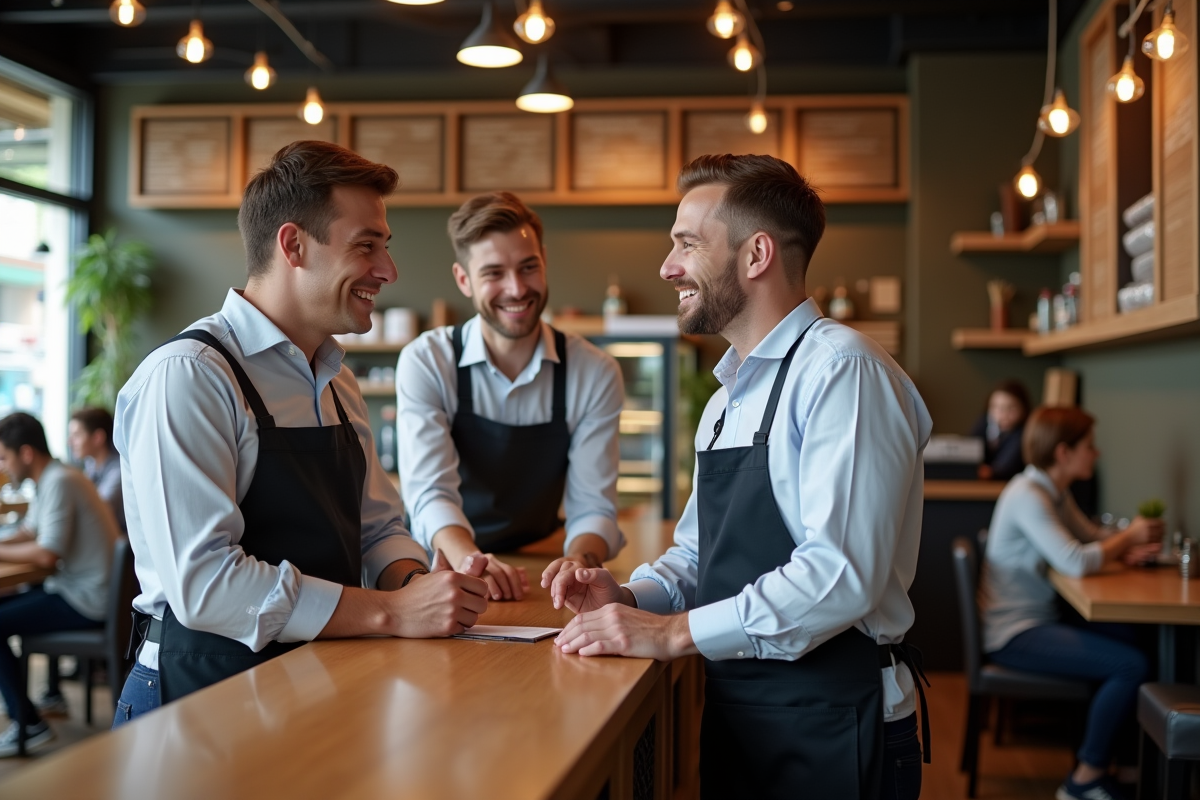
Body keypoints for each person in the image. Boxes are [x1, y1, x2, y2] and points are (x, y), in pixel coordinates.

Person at [547, 154, 932, 800]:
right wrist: (629, 598)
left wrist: (672, 633)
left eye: (687, 244)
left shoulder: (844, 372)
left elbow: (841, 576)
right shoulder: (728, 396)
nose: (668, 267)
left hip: (838, 720)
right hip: (745, 714)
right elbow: (700, 555)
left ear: (756, 255)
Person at [112, 141, 490, 726]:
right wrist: (393, 612)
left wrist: (421, 585)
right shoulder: (188, 376)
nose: (387, 271)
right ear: (293, 245)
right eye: (367, 246)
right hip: (198, 696)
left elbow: (377, 528)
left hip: (316, 682)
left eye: (384, 248)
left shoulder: (338, 383)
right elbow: (206, 584)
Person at [396, 191, 624, 602]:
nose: (517, 288)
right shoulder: (428, 362)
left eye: (528, 267)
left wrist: (579, 558)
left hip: (542, 565)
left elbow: (593, 505)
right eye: (494, 273)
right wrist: (472, 561)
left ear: (545, 262)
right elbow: (430, 493)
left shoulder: (594, 371)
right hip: (451, 560)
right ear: (463, 279)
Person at [980, 406, 1161, 800]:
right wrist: (1129, 538)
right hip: (1015, 633)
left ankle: (1122, 764)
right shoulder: (1029, 495)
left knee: (1134, 639)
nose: (1096, 454)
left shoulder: (1051, 491)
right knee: (1130, 665)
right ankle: (1084, 779)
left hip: (1039, 619)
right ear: (1063, 452)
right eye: (1090, 446)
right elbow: (1076, 561)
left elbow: (1090, 537)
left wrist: (1122, 548)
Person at [0, 412, 118, 755]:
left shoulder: (59, 481)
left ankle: (27, 722)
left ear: (26, 453)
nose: (3, 466)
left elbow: (48, 553)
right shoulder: (55, 477)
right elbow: (29, 531)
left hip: (86, 599)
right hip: (81, 590)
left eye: (4, 456)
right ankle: (29, 706)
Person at [68, 407, 125, 533]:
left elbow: (96, 512)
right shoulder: (91, 465)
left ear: (98, 438)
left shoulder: (118, 470)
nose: (70, 442)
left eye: (76, 435)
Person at [969, 379, 1030, 480]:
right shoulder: (984, 423)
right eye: (996, 407)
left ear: (1024, 409)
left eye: (1011, 408)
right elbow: (967, 452)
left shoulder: (1023, 434)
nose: (1003, 414)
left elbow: (1001, 470)